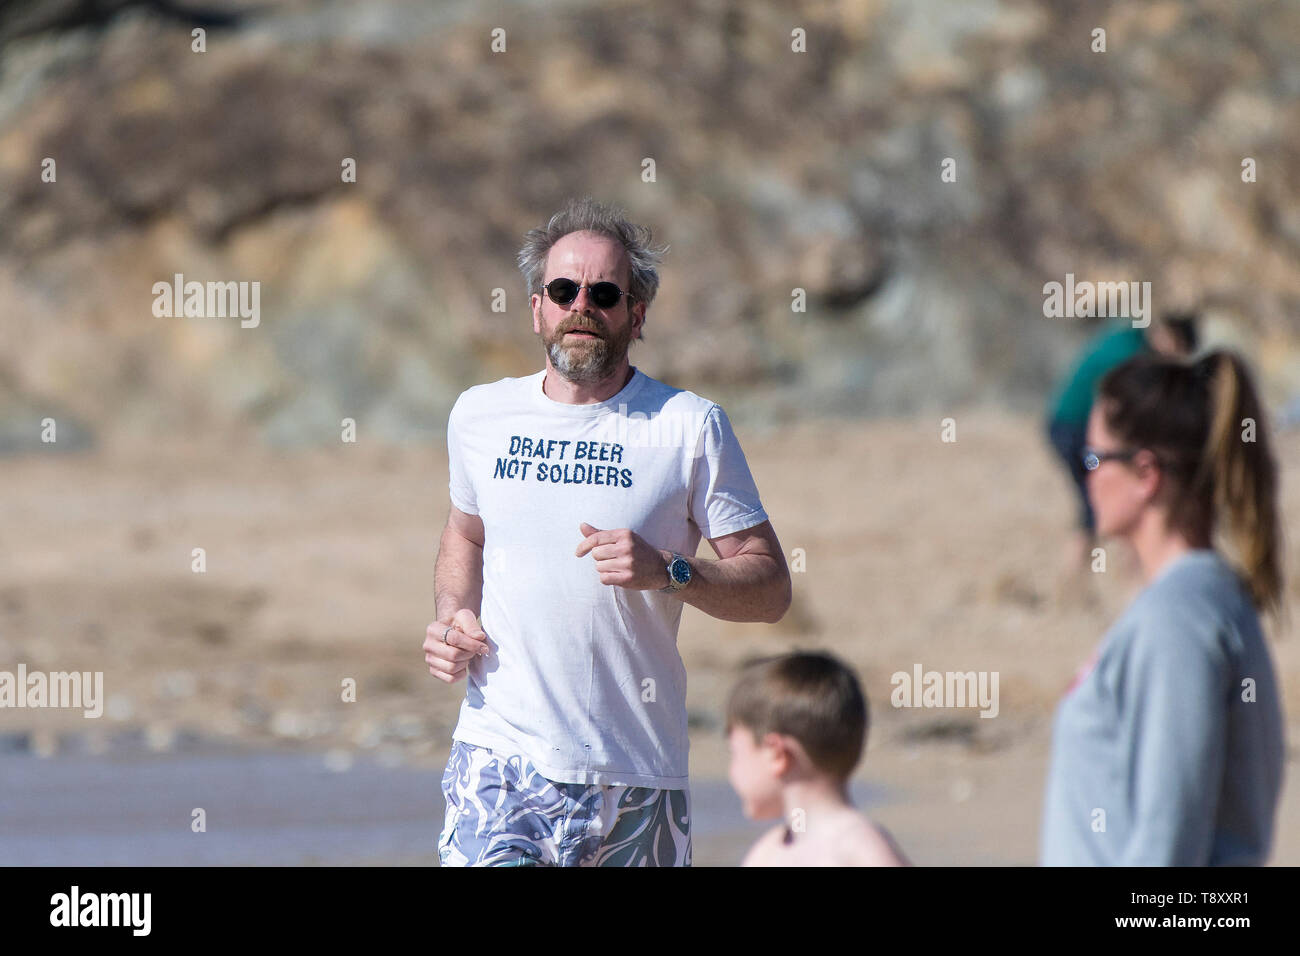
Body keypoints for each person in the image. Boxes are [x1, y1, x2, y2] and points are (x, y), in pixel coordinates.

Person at [425, 196, 793, 866]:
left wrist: (671, 570)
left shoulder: (687, 425)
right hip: (500, 764)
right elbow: (465, 534)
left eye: (604, 292)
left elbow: (769, 588)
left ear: (637, 313)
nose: (581, 306)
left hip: (635, 779)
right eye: (563, 290)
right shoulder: (480, 416)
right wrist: (454, 618)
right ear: (537, 307)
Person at [1040, 349, 1286, 865]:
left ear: (1145, 474)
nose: (1085, 478)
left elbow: (1167, 849)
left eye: (1093, 459)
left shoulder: (1176, 621)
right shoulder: (1203, 601)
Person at [726, 651, 909, 866]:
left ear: (777, 755)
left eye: (734, 753)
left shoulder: (858, 845)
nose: (731, 771)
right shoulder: (766, 852)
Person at [1045, 314, 1198, 572]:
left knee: (1116, 499)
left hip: (1067, 426)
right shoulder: (1134, 358)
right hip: (1074, 430)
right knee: (1099, 505)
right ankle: (1081, 578)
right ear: (1169, 335)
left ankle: (1106, 575)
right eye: (1179, 350)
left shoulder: (1129, 337)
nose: (1176, 359)